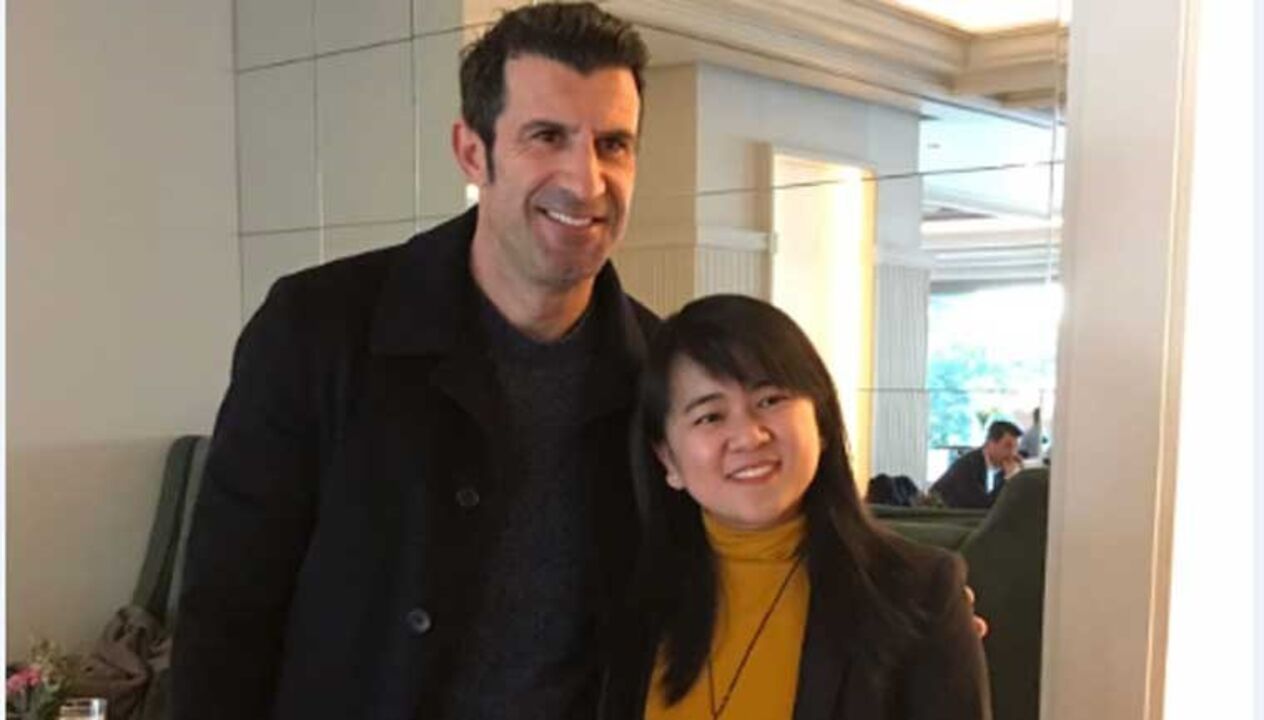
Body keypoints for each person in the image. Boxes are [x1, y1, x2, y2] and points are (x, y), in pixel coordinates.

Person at [171, 4, 656, 718]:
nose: (586, 182)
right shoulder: (317, 329)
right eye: (547, 136)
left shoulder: (663, 373)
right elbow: (226, 617)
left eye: (613, 144)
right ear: (472, 152)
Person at [600, 295, 990, 719]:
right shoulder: (633, 599)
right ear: (668, 460)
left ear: (820, 423)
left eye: (770, 400)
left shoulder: (919, 594)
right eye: (710, 416)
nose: (748, 436)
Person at [930, 420, 1024, 509]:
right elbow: (984, 505)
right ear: (990, 443)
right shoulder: (968, 466)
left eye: (1015, 447)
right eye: (1008, 446)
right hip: (939, 515)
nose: (1012, 453)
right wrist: (1009, 479)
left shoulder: (1002, 467)